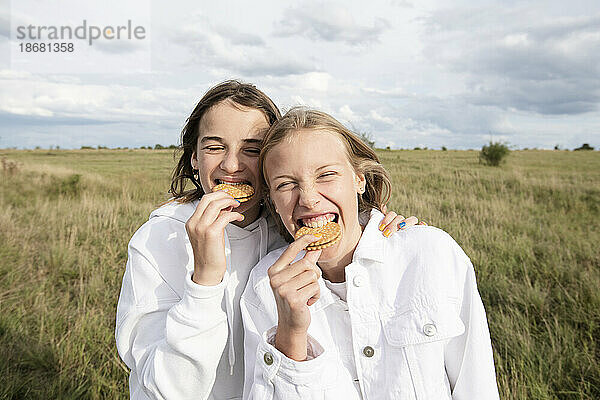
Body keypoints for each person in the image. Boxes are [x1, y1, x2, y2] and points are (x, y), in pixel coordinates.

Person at [115, 81, 420, 400]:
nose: (231, 165)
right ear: (194, 157)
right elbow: (163, 390)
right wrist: (205, 280)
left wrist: (382, 234)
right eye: (214, 147)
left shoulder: (288, 228)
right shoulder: (158, 239)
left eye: (252, 149)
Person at [240, 108, 500, 399]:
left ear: (359, 180)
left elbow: (476, 384)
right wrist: (290, 334)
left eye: (326, 175)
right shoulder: (264, 287)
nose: (309, 199)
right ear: (273, 201)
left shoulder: (431, 254)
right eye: (286, 184)